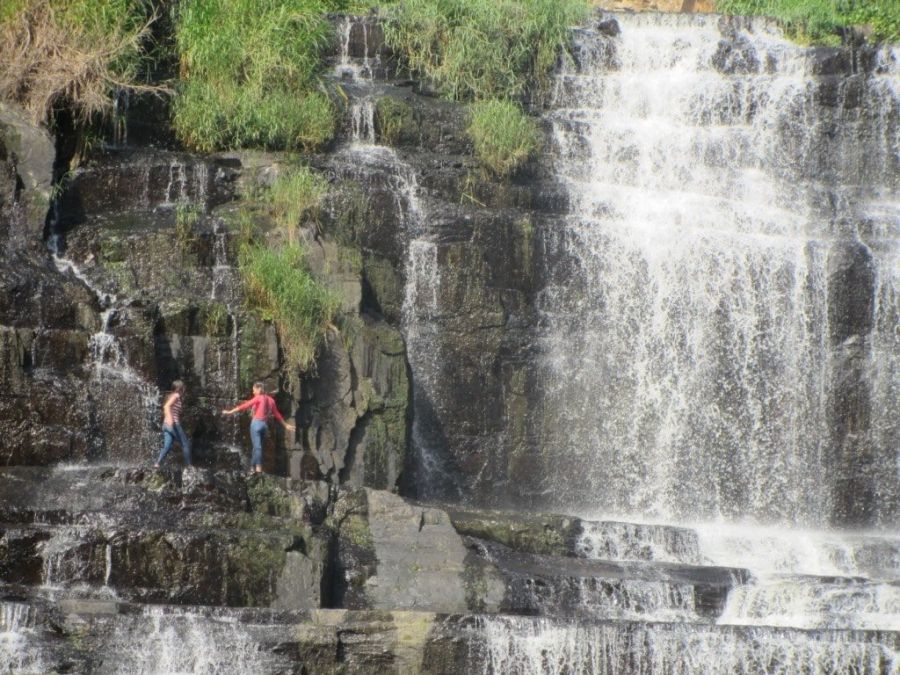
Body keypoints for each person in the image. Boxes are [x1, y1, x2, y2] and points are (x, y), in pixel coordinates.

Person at [222, 382, 295, 474]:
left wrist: (230, 412)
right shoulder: (271, 400)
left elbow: (245, 406)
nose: (253, 392)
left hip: (256, 424)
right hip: (264, 426)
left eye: (254, 390)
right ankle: (252, 468)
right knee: (256, 447)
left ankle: (258, 468)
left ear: (259, 389)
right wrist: (285, 425)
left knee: (257, 447)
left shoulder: (259, 398)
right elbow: (277, 414)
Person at [155, 380, 191, 469]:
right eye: (183, 388)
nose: (184, 390)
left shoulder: (171, 396)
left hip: (165, 425)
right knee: (185, 444)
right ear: (180, 388)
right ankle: (188, 466)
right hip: (174, 424)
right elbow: (166, 406)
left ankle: (157, 463)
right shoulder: (176, 395)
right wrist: (171, 419)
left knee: (167, 445)